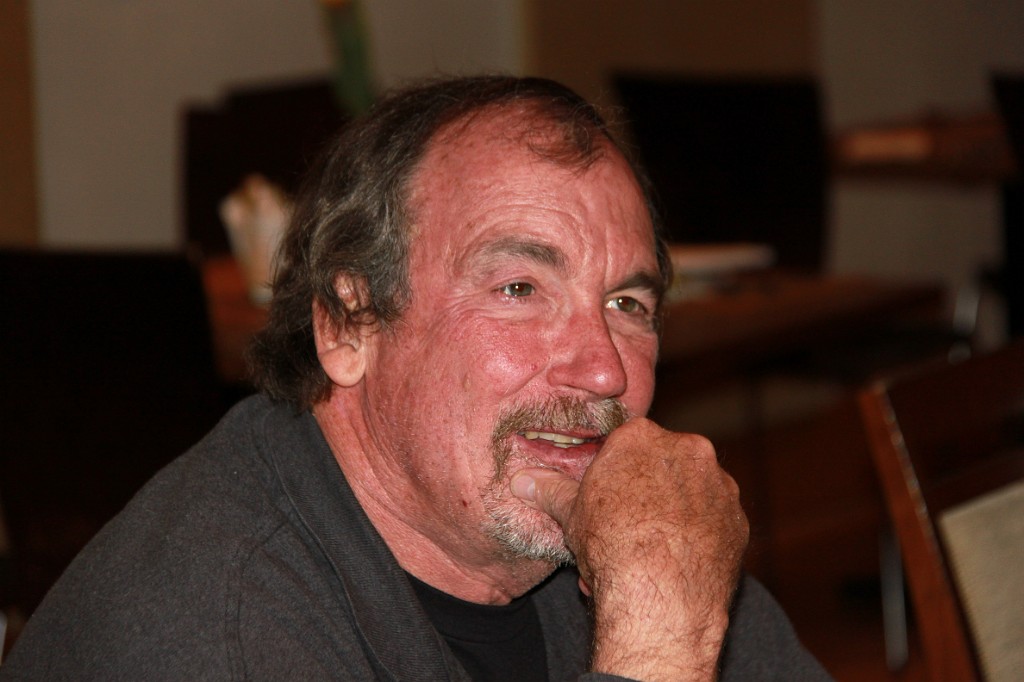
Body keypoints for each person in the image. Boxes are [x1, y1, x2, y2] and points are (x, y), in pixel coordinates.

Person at [2, 75, 831, 681]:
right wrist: (656, 647)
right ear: (348, 325)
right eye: (519, 289)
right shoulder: (220, 634)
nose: (603, 367)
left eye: (627, 303)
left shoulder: (601, 534)